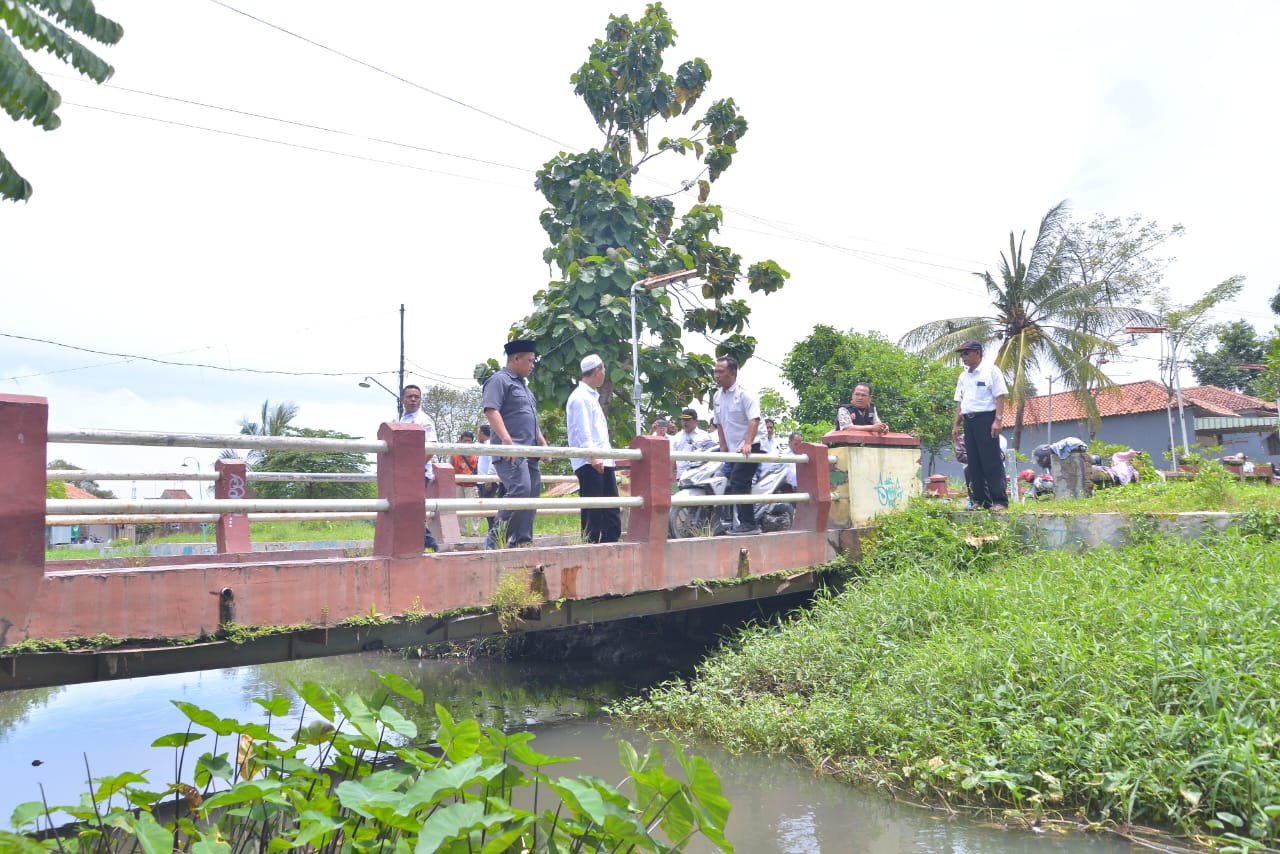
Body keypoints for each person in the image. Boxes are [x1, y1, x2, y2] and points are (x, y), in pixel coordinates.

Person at [482, 339, 548, 548]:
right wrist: (506, 440)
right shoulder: (499, 381)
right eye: (529, 360)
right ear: (516, 358)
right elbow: (491, 410)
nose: (532, 364)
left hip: (530, 452)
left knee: (531, 496)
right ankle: (494, 540)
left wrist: (543, 443)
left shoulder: (525, 388)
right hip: (512, 452)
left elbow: (529, 419)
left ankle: (521, 542)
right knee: (520, 489)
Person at [566, 354, 622, 543]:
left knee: (611, 509)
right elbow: (583, 431)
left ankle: (611, 545)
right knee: (594, 511)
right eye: (604, 370)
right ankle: (591, 548)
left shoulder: (590, 397)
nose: (605, 374)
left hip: (601, 459)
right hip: (591, 462)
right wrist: (593, 457)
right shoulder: (580, 398)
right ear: (597, 371)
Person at [951, 340, 1009, 510]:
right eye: (962, 354)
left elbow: (1000, 396)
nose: (963, 357)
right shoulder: (963, 376)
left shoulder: (991, 371)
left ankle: (999, 501)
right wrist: (956, 424)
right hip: (969, 421)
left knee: (991, 461)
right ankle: (980, 500)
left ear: (977, 352)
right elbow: (961, 402)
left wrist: (998, 420)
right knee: (973, 462)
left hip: (986, 419)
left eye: (966, 353)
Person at [712, 355, 762, 535]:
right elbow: (719, 423)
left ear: (733, 373)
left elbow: (754, 420)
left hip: (750, 447)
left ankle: (750, 524)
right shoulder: (717, 396)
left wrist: (748, 443)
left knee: (740, 482)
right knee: (729, 482)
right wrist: (723, 446)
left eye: (721, 371)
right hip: (732, 450)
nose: (716, 375)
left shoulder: (745, 394)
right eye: (715, 371)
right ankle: (733, 522)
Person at [398, 384, 440, 551]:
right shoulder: (401, 420)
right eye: (410, 396)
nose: (414, 399)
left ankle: (430, 544)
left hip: (418, 473)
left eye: (417, 396)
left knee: (412, 510)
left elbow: (431, 448)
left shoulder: (424, 420)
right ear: (403, 399)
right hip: (405, 473)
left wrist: (415, 468)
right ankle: (420, 545)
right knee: (405, 509)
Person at [451, 431, 480, 535]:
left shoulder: (476, 454)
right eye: (465, 440)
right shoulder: (454, 455)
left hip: (471, 485)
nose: (467, 443)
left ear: (472, 442)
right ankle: (461, 531)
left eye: (469, 441)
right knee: (459, 508)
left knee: (474, 509)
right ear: (460, 440)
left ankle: (474, 532)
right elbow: (450, 469)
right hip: (458, 485)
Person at [475, 423, 503, 531]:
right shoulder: (485, 446)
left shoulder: (489, 445)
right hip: (484, 481)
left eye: (478, 432)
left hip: (488, 481)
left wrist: (489, 479)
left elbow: (492, 463)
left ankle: (495, 529)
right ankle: (493, 529)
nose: (477, 435)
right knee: (487, 508)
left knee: (489, 507)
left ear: (482, 433)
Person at [670, 407, 712, 479]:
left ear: (696, 421)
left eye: (688, 420)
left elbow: (710, 457)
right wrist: (670, 474)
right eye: (683, 420)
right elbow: (673, 458)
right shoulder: (677, 437)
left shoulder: (704, 436)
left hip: (699, 475)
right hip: (681, 476)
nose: (685, 422)